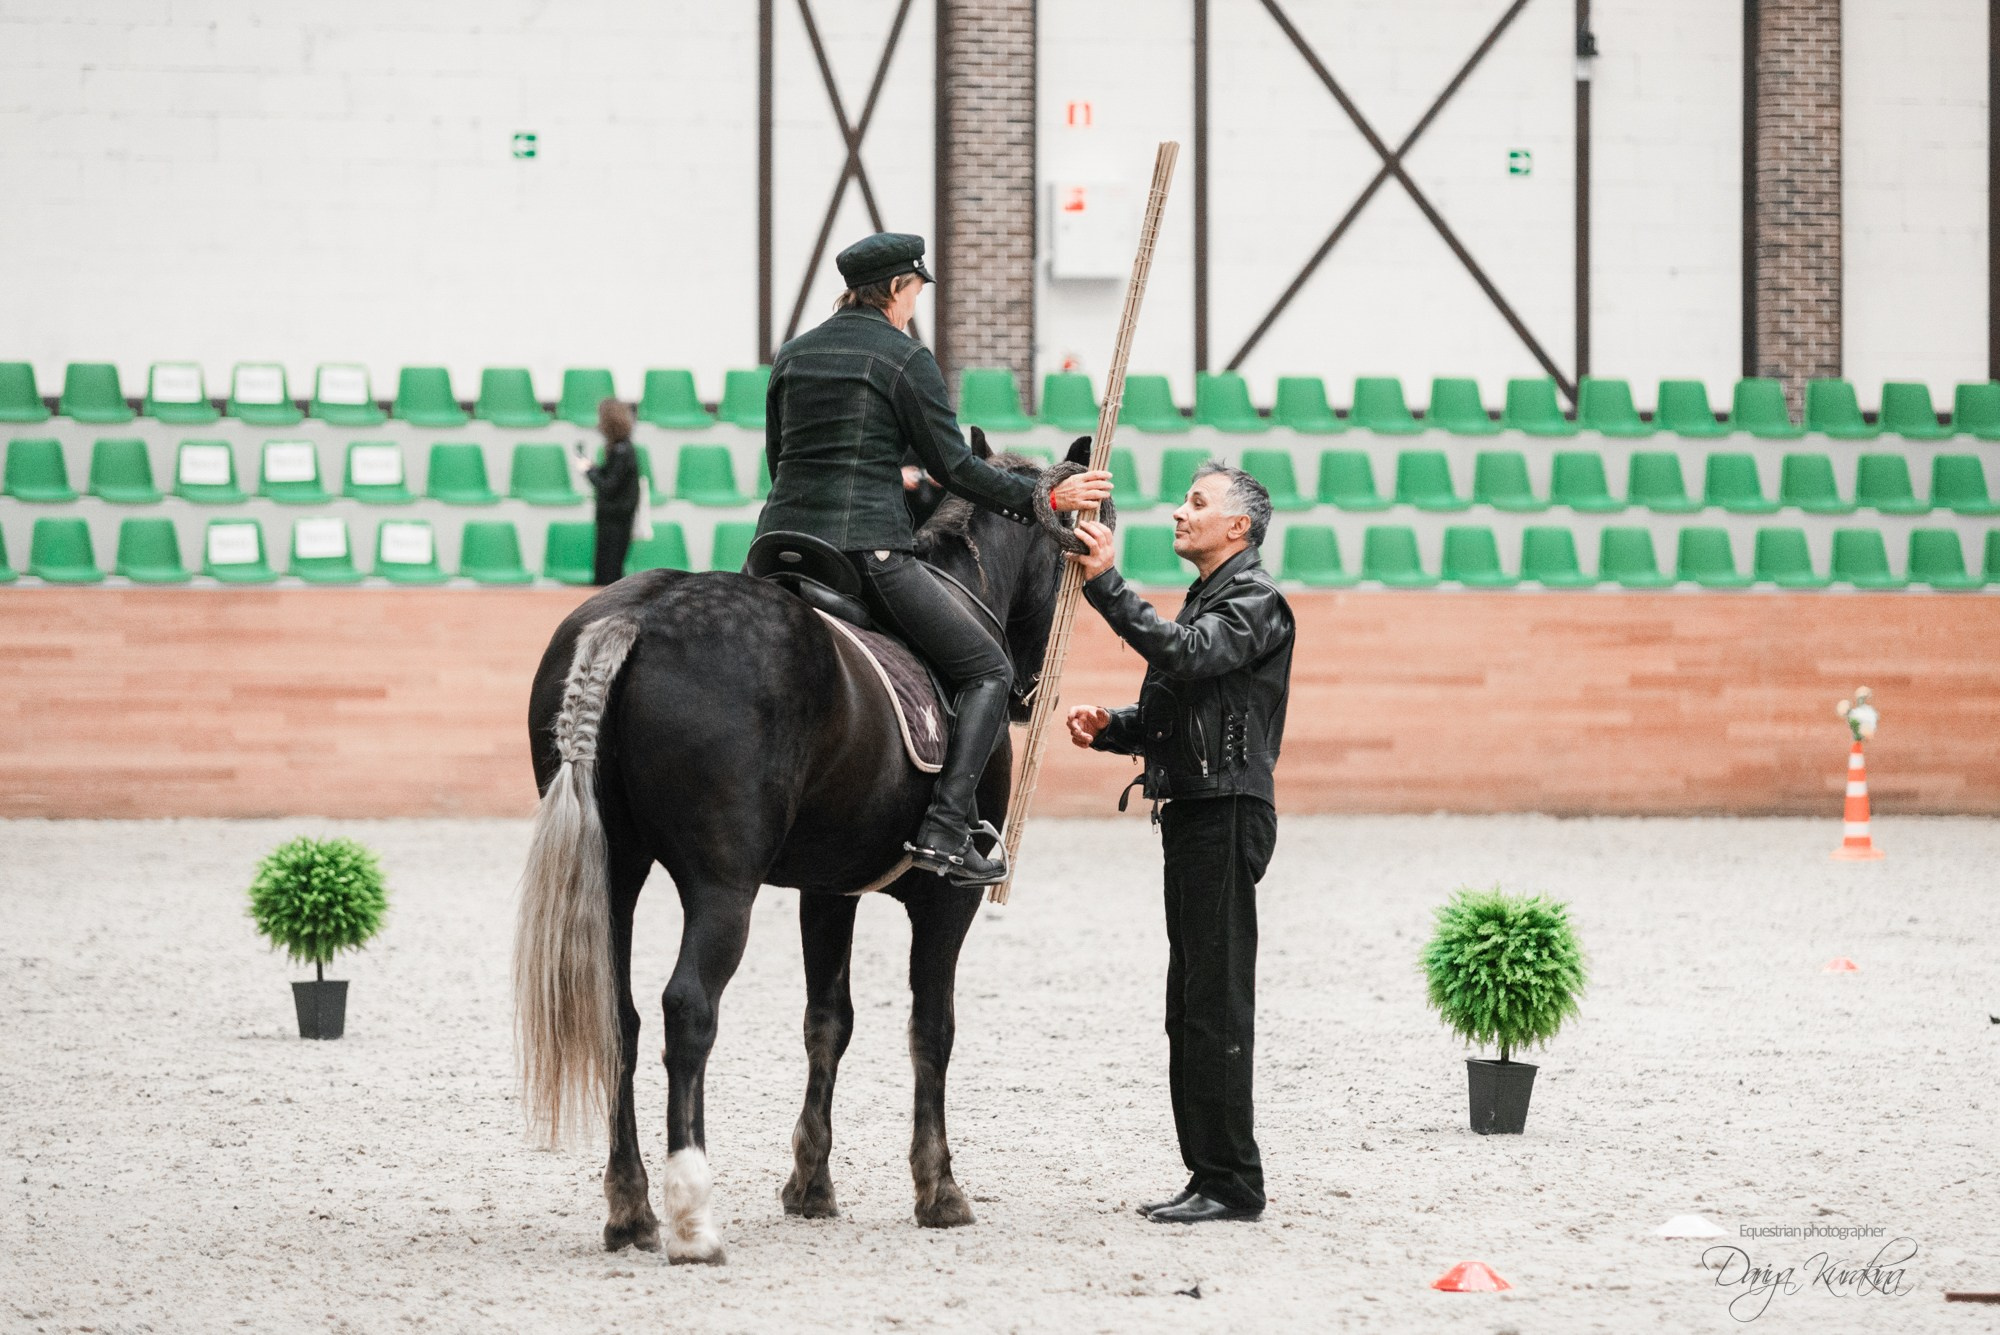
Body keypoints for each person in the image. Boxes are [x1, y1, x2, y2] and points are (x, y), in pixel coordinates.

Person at [756, 231, 1112, 885]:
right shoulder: (904, 357)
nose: (916, 300)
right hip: (866, 553)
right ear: (896, 287)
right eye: (916, 288)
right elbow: (956, 469)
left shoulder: (793, 355)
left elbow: (777, 460)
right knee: (987, 670)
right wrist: (1048, 494)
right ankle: (947, 829)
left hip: (777, 550)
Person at [1063, 463, 1295, 1224]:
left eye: (1197, 502)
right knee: (1192, 1003)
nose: (1178, 511)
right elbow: (1180, 695)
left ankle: (1231, 1180)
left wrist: (1106, 584)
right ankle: (1211, 1173)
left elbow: (1187, 655)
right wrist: (1115, 729)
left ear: (1239, 527)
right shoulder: (1216, 601)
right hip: (1199, 808)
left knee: (1215, 1003)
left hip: (1225, 810)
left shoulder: (1257, 602)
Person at [572, 397, 642, 585]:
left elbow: (608, 486)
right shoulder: (623, 448)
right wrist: (595, 468)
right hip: (618, 518)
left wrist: (588, 471)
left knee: (607, 572)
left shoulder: (621, 451)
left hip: (614, 520)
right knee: (610, 570)